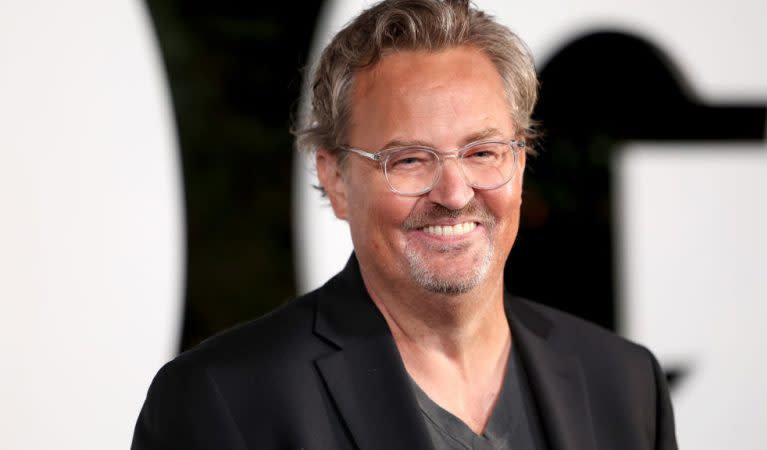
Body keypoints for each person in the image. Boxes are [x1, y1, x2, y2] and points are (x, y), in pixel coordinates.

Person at [132, 1, 678, 449]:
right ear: (337, 179)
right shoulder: (221, 403)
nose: (455, 193)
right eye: (410, 160)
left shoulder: (625, 385)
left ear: (521, 161)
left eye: (483, 152)